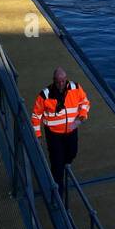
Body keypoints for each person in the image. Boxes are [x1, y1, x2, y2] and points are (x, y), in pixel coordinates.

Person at [31, 67, 91, 202]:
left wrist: (80, 117)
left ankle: (63, 164)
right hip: (54, 135)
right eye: (58, 82)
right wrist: (38, 135)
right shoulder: (45, 95)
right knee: (57, 166)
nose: (61, 84)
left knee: (72, 153)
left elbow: (85, 103)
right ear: (54, 81)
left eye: (63, 81)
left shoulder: (76, 88)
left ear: (67, 80)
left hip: (71, 130)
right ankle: (58, 197)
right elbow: (36, 116)